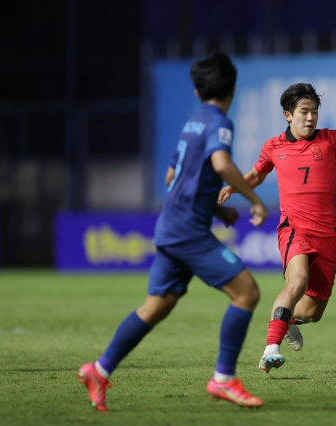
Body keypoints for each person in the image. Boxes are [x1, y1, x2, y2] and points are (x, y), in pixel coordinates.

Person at [77, 53, 269, 410]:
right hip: (186, 230)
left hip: (170, 224)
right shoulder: (220, 122)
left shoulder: (192, 122)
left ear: (197, 91)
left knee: (156, 307)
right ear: (233, 88)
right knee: (247, 293)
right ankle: (224, 379)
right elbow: (221, 163)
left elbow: (172, 178)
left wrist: (215, 208)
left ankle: (99, 370)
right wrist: (254, 200)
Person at [218, 83, 336, 373]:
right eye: (304, 112)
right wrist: (233, 188)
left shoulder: (331, 140)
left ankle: (287, 320)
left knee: (313, 312)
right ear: (288, 115)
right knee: (296, 281)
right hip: (294, 229)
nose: (310, 118)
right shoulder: (274, 146)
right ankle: (271, 349)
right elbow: (257, 175)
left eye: (315, 112)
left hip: (328, 234)